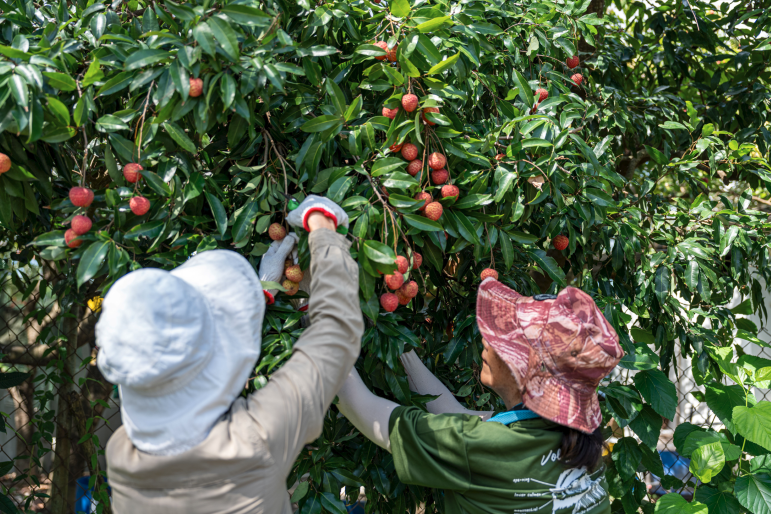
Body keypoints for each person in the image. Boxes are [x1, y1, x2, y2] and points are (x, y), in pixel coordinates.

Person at [96, 196, 364, 513]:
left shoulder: (121, 455)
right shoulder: (253, 439)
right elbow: (336, 333)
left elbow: (156, 362)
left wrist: (260, 294)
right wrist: (322, 226)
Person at [336, 280, 624, 514]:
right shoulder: (577, 440)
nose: (486, 340)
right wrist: (395, 340)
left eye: (502, 338)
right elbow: (453, 413)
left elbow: (357, 404)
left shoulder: (482, 447)